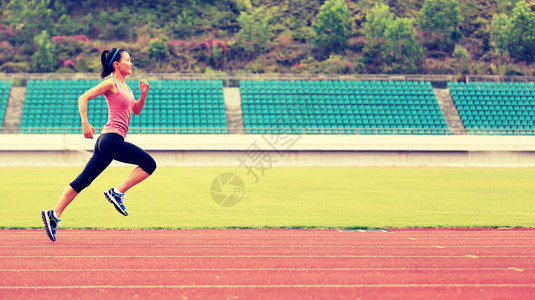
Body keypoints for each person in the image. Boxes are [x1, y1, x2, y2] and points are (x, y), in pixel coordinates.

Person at [41, 48, 157, 242]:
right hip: (111, 140)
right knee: (149, 164)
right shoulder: (110, 83)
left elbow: (135, 110)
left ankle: (53, 214)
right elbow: (83, 97)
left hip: (107, 142)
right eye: (128, 60)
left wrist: (143, 94)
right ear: (116, 64)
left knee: (83, 181)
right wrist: (85, 123)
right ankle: (117, 192)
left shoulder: (126, 87)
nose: (131, 63)